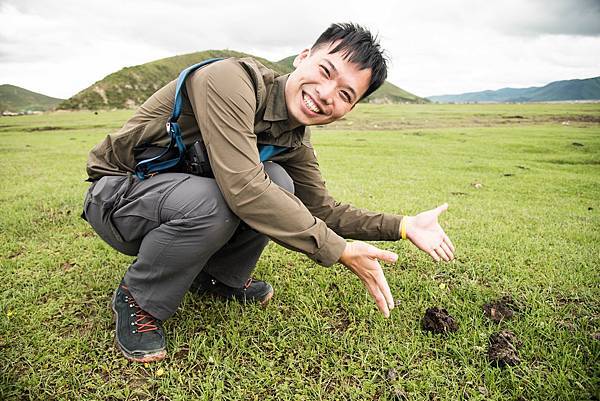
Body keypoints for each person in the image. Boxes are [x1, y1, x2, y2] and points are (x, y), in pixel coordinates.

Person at [83, 23, 455, 363]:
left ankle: (219, 278)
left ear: (350, 108)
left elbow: (321, 209)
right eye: (326, 72)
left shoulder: (291, 137)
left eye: (345, 94)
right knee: (228, 199)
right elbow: (243, 188)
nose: (326, 95)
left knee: (280, 183)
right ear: (303, 57)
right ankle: (138, 297)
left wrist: (404, 225)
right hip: (119, 194)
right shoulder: (230, 79)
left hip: (174, 196)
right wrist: (338, 249)